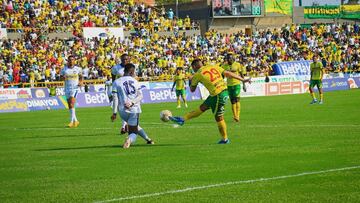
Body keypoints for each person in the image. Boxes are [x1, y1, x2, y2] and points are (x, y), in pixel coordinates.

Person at [170, 59, 251, 144]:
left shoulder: (197, 74)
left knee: (219, 118)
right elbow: (228, 73)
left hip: (218, 95)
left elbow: (192, 89)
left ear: (194, 67)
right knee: (202, 108)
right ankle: (182, 119)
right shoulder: (213, 66)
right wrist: (242, 79)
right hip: (219, 92)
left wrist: (191, 79)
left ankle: (225, 139)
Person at [111, 63, 154, 148]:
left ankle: (148, 139)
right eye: (134, 71)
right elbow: (140, 96)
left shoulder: (116, 82)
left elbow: (115, 99)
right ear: (131, 72)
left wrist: (114, 113)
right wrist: (132, 102)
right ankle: (129, 139)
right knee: (133, 132)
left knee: (135, 126)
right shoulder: (135, 81)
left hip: (122, 111)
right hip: (133, 109)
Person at [222, 54, 249, 122]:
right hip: (229, 85)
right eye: (227, 59)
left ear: (232, 59)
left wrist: (244, 84)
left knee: (237, 100)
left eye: (230, 59)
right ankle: (235, 117)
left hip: (236, 84)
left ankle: (237, 116)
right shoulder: (224, 66)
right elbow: (222, 76)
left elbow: (241, 75)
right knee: (232, 101)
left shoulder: (237, 65)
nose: (228, 60)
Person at [60, 55, 83, 128]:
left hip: (75, 88)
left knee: (72, 103)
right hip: (67, 88)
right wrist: (62, 78)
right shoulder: (64, 69)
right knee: (69, 105)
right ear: (68, 61)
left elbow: (81, 76)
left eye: (72, 59)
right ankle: (75, 120)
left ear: (74, 60)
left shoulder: (78, 69)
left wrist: (81, 82)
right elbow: (61, 78)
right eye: (70, 60)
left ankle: (71, 121)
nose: (71, 61)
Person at [111, 54, 130, 134]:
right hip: (118, 88)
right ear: (121, 59)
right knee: (120, 107)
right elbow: (113, 77)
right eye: (123, 59)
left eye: (126, 59)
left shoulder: (130, 67)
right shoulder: (116, 68)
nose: (125, 61)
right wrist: (114, 85)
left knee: (127, 106)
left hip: (127, 89)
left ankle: (125, 125)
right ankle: (124, 125)